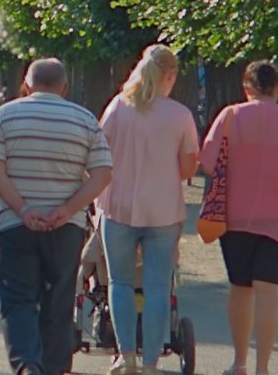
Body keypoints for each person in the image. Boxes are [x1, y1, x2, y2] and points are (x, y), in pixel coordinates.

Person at [0, 58, 112, 375]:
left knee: (18, 299)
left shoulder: (6, 115)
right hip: (65, 227)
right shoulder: (84, 120)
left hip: (14, 225)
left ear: (27, 86)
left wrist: (22, 208)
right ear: (65, 87)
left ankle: (27, 363)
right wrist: (68, 209)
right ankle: (53, 367)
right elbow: (102, 173)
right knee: (59, 298)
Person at [96, 45, 198, 375]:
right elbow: (187, 168)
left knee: (120, 283)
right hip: (163, 211)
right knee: (157, 288)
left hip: (119, 208)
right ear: (170, 76)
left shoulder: (118, 107)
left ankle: (126, 355)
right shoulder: (180, 115)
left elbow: (99, 153)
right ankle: (151, 362)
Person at [200, 61, 278, 375]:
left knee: (240, 288)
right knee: (269, 293)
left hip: (233, 216)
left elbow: (208, 162)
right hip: (276, 221)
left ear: (246, 88)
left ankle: (240, 362)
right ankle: (264, 368)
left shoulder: (230, 116)